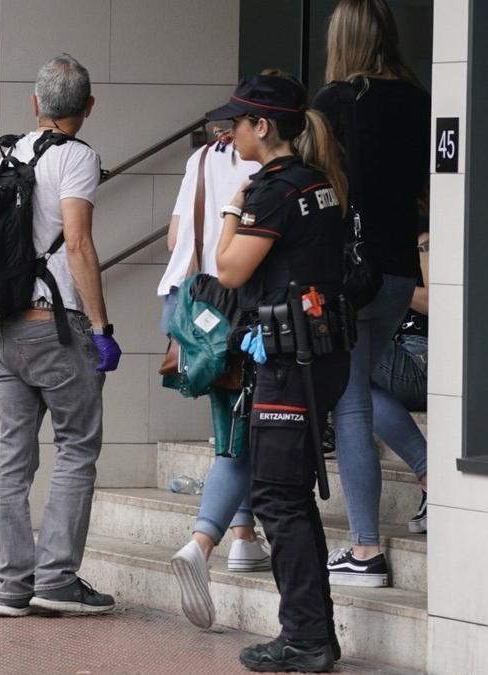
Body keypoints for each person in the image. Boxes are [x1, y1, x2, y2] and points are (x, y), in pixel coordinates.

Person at [207, 72, 351, 672]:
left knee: (276, 498)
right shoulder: (320, 182)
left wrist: (232, 207)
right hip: (318, 353)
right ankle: (311, 634)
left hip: (290, 360)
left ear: (262, 126)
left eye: (236, 123)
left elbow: (228, 269)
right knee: (288, 497)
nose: (228, 132)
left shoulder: (272, 190)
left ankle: (307, 640)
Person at [0, 54, 121, 618]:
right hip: (55, 329)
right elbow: (80, 244)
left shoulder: (9, 152)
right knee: (77, 448)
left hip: (0, 329)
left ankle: (13, 586)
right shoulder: (78, 158)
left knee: (11, 455)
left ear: (35, 105)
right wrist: (103, 326)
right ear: (87, 108)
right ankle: (57, 579)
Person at [312, 0, 431, 587]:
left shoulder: (333, 103)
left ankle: (364, 550)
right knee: (360, 383)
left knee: (350, 400)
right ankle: (435, 472)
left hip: (350, 275)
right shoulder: (419, 100)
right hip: (401, 269)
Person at [162, 136, 267, 631]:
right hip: (236, 315)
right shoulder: (270, 174)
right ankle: (203, 542)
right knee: (239, 440)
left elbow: (173, 237)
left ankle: (243, 535)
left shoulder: (202, 158)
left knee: (232, 427)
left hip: (192, 310)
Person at [370, 228, 430, 533]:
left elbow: (434, 299)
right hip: (398, 353)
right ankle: (430, 476)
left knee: (345, 343)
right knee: (354, 387)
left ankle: (431, 475)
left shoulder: (425, 239)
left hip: (421, 358)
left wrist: (385, 287)